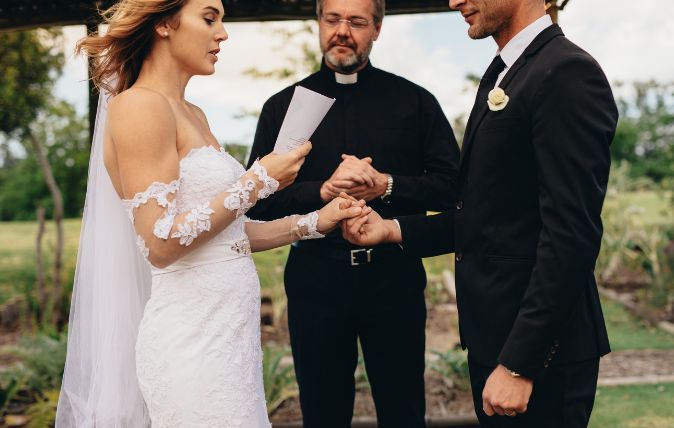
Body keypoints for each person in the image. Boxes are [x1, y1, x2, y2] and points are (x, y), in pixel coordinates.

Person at [55, 0, 366, 426]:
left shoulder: (194, 113)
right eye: (209, 18)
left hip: (231, 343)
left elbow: (227, 238)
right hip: (190, 345)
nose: (223, 34)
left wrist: (315, 222)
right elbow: (160, 243)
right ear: (164, 23)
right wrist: (259, 179)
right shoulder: (139, 106)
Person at [342, 0, 618, 426]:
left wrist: (520, 364)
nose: (454, 1)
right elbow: (489, 218)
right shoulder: (503, 72)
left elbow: (571, 234)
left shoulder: (566, 72)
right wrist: (392, 230)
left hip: (540, 357)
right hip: (495, 342)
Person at [246, 0, 460, 426]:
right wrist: (321, 191)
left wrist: (387, 184)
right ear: (319, 24)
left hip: (393, 280)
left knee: (403, 411)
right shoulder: (282, 107)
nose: (342, 31)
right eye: (332, 19)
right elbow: (259, 202)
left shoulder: (415, 102)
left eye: (356, 22)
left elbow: (454, 189)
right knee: (323, 414)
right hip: (314, 283)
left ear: (376, 29)